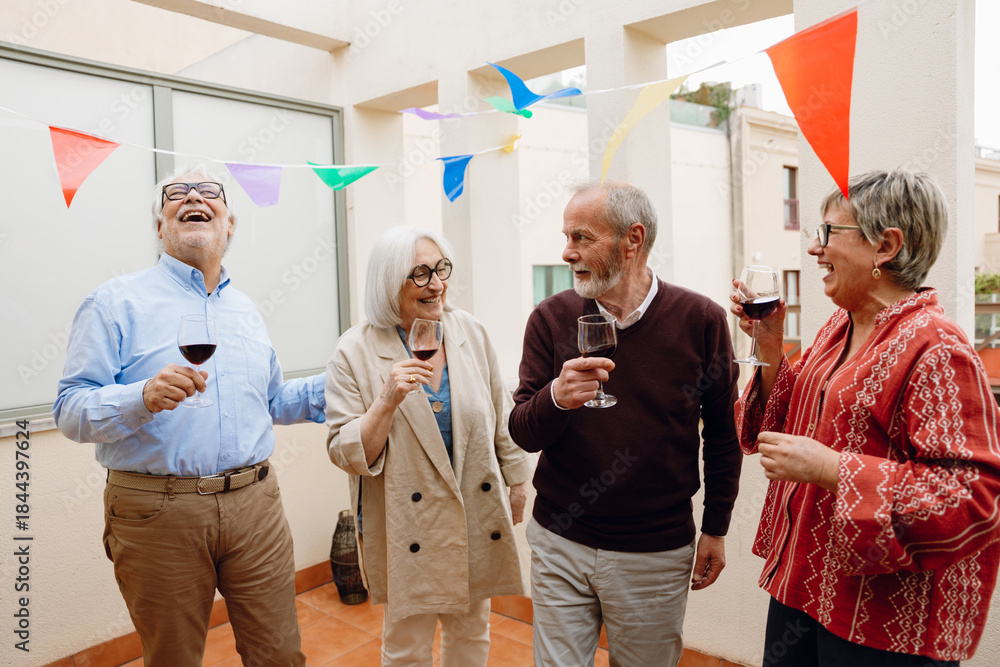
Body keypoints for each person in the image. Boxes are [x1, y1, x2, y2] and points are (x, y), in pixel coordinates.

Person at [54, 164, 325, 666]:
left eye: (208, 192)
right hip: (158, 514)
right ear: (161, 226)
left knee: (282, 656)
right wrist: (140, 397)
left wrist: (350, 383)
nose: (192, 196)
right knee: (173, 659)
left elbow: (272, 403)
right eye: (176, 193)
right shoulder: (114, 301)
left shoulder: (244, 308)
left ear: (229, 225)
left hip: (257, 505)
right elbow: (69, 409)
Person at [731, 169, 1000, 666]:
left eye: (829, 232)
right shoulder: (840, 325)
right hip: (804, 588)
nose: (815, 248)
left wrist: (833, 469)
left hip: (880, 626)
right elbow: (785, 418)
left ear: (886, 247)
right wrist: (768, 344)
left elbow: (971, 498)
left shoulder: (938, 347)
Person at [509, 180, 742, 666]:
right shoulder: (550, 318)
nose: (567, 252)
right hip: (558, 540)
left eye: (581, 237)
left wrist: (715, 527)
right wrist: (558, 397)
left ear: (632, 239)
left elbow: (723, 436)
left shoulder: (701, 320)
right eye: (566, 237)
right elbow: (522, 431)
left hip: (653, 552)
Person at [325, 226, 533, 666]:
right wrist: (386, 401)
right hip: (407, 521)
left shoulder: (468, 330)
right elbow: (344, 452)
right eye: (420, 273)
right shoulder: (353, 350)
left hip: (471, 510)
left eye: (440, 269)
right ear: (388, 282)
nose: (437, 284)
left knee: (472, 635)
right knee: (407, 647)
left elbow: (499, 409)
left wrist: (516, 480)